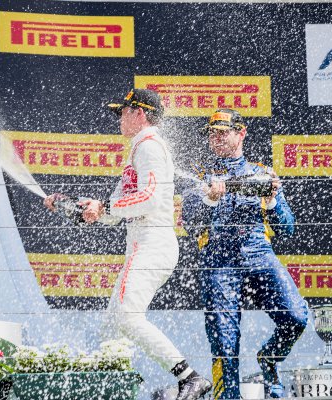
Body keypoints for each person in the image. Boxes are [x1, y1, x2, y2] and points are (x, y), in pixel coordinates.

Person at [44, 89, 212, 400]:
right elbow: (115, 207)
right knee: (112, 325)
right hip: (145, 244)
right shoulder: (139, 149)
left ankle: (190, 378)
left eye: (124, 111)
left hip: (152, 244)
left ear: (141, 113)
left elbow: (149, 199)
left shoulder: (148, 146)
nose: (119, 117)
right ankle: (109, 389)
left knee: (125, 317)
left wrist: (105, 208)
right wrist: (76, 207)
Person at [181, 109, 308, 399]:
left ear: (242, 132)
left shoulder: (263, 172)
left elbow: (287, 228)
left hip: (259, 254)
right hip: (218, 261)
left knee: (296, 317)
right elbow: (189, 224)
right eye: (212, 133)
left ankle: (270, 360)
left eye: (222, 132)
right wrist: (210, 201)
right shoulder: (201, 174)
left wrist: (273, 199)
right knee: (224, 342)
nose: (216, 138)